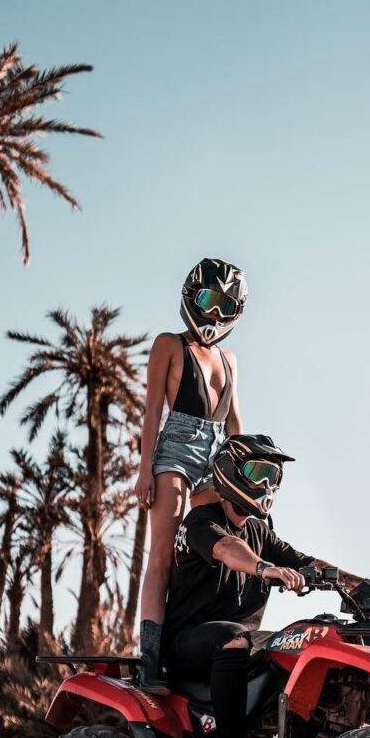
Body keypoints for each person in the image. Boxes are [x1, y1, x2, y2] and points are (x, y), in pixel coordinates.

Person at [162, 434, 363, 738]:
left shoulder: (260, 530)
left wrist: (359, 582)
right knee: (235, 637)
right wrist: (266, 568)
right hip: (189, 644)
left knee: (306, 642)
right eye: (259, 472)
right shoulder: (201, 522)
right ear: (229, 472)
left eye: (275, 476)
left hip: (239, 642)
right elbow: (227, 550)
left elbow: (306, 560)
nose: (268, 484)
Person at [135, 258, 247, 693]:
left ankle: (190, 651)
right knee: (162, 553)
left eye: (224, 303)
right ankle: (150, 663)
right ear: (191, 296)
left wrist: (244, 472)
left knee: (201, 557)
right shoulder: (168, 344)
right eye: (207, 300)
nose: (214, 314)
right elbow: (150, 411)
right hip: (175, 451)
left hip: (217, 458)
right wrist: (146, 468)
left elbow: (236, 423)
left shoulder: (231, 360)